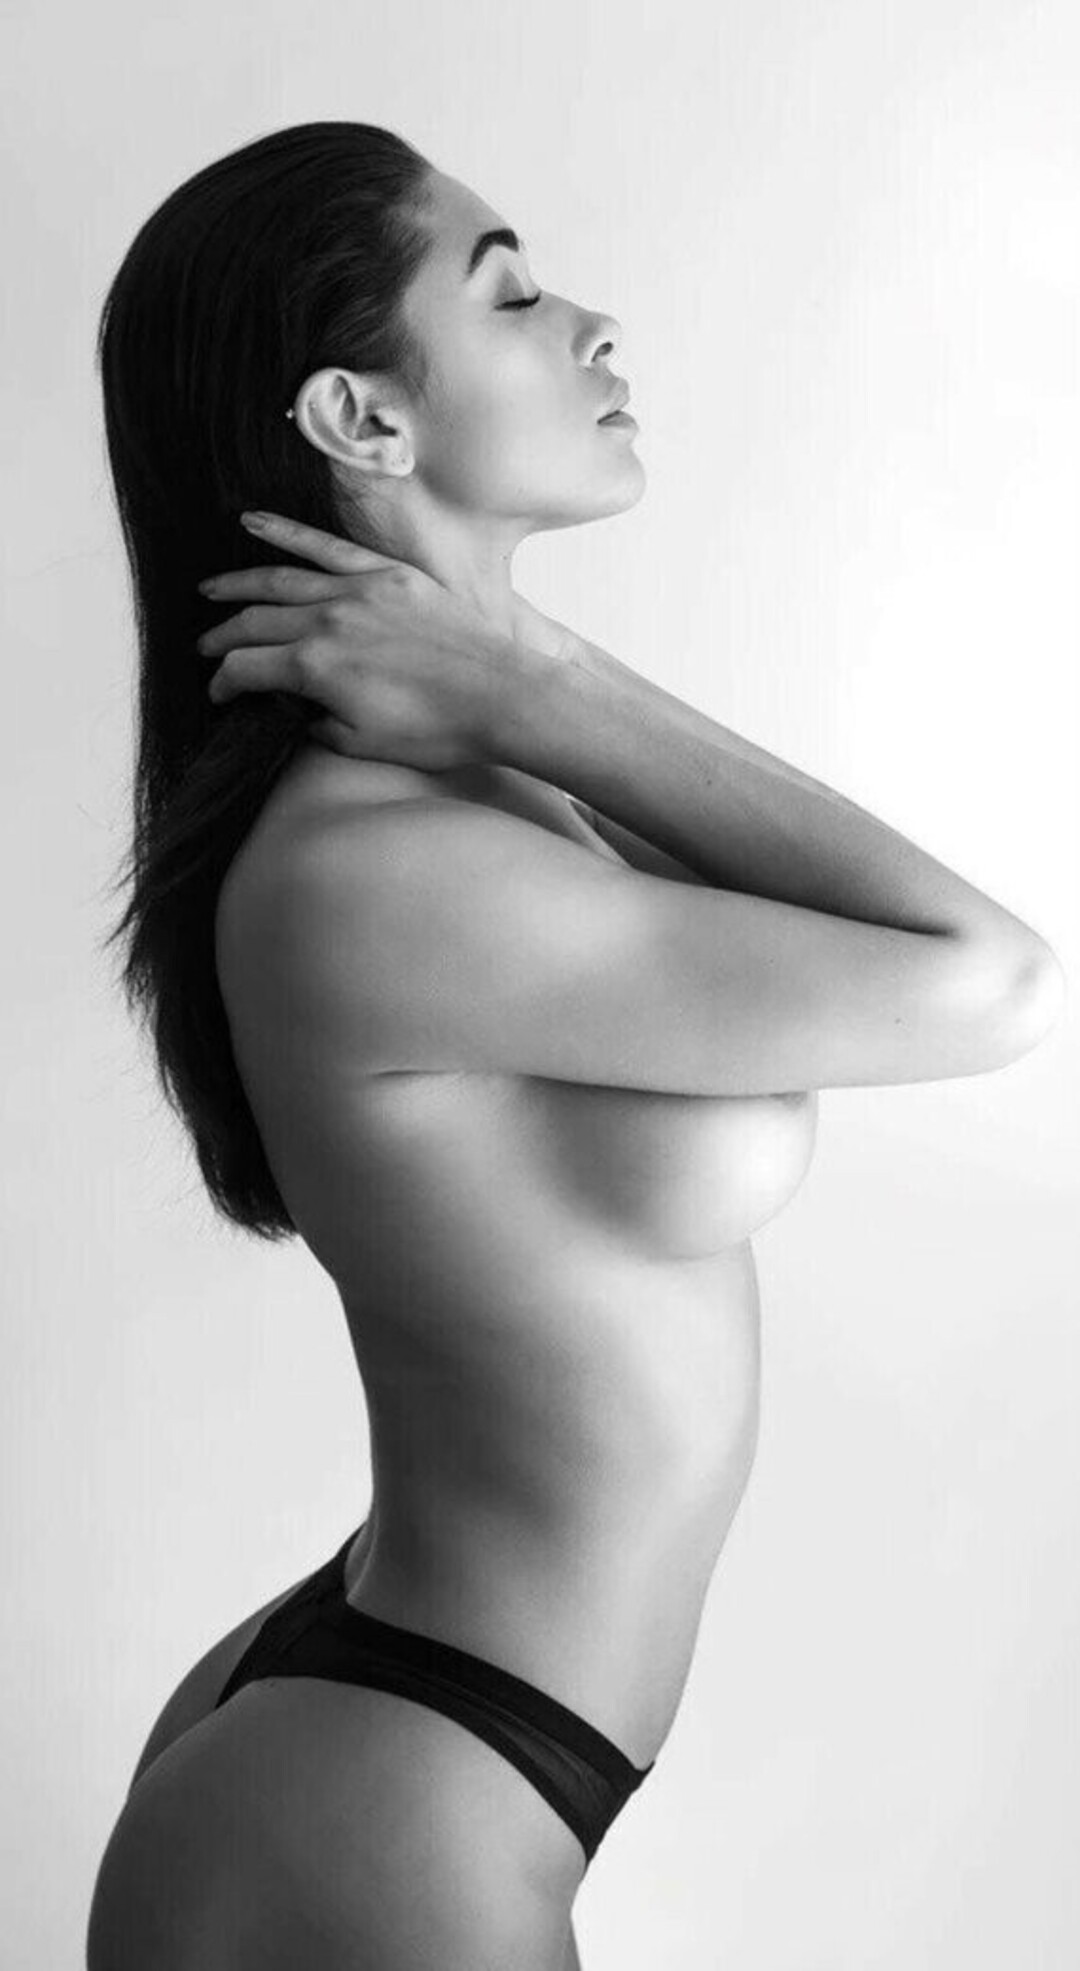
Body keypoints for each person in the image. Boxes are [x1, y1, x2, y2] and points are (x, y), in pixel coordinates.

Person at [86, 122, 1064, 1971]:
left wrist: (512, 687)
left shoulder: (483, 796)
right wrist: (534, 671)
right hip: (396, 1793)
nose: (596, 327)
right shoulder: (389, 872)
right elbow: (993, 983)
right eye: (516, 295)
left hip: (408, 1724)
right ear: (363, 418)